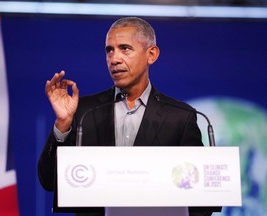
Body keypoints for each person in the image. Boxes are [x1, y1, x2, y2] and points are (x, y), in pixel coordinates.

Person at [38, 17, 219, 216]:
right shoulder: (84, 111)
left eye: (125, 48)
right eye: (109, 50)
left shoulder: (180, 117)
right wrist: (63, 125)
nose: (114, 59)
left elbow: (202, 200)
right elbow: (48, 181)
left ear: (151, 54)